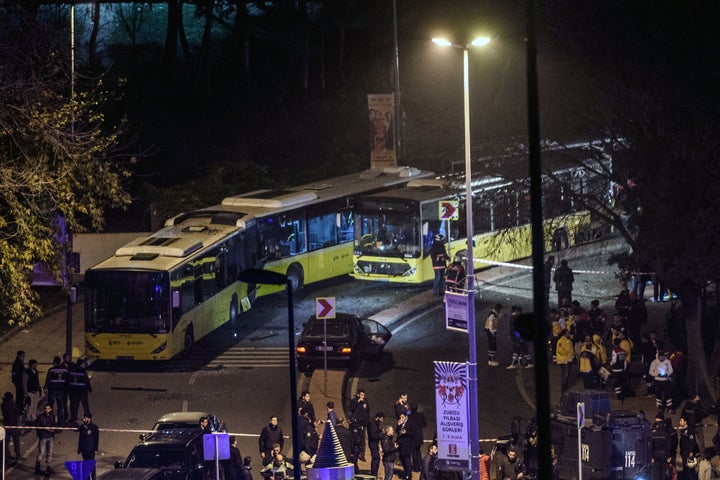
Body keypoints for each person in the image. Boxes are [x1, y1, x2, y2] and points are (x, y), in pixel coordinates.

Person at [45, 356, 69, 424]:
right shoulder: (64, 370)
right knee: (60, 406)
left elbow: (48, 379)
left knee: (50, 405)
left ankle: (49, 419)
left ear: (54, 362)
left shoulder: (51, 370)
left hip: (52, 389)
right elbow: (67, 379)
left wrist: (45, 387)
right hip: (61, 389)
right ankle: (60, 421)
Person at [68, 358, 93, 423]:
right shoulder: (82, 371)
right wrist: (90, 388)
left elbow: (69, 381)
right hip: (82, 391)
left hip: (74, 391)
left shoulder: (72, 371)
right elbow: (86, 381)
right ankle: (87, 417)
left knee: (75, 405)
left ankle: (74, 418)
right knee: (85, 405)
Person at [35, 403, 57, 476]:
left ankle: (48, 467)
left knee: (49, 453)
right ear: (44, 409)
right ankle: (37, 468)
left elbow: (54, 424)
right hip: (43, 437)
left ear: (50, 409)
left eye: (48, 409)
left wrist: (53, 429)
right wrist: (45, 429)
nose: (47, 410)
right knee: (41, 452)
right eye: (46, 409)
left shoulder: (52, 416)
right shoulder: (40, 417)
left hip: (50, 436)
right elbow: (38, 427)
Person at [349, 389, 370, 462]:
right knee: (355, 439)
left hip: (363, 423)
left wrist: (367, 421)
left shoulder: (365, 401)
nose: (363, 397)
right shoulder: (354, 401)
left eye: (363, 395)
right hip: (355, 423)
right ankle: (353, 453)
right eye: (361, 395)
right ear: (358, 395)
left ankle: (362, 455)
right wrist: (357, 402)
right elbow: (351, 409)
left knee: (362, 440)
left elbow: (368, 411)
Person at [2, 391, 23, 464]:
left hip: (6, 425)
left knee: (6, 443)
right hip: (13, 425)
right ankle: (18, 455)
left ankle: (7, 457)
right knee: (16, 441)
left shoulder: (3, 405)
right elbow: (19, 411)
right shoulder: (12, 406)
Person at [77, 413, 100, 480]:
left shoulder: (94, 427)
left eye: (85, 418)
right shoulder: (82, 427)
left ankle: (93, 478)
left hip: (91, 449)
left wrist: (96, 449)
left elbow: (96, 438)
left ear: (89, 419)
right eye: (84, 418)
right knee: (85, 464)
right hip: (84, 449)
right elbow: (80, 438)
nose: (84, 419)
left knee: (91, 464)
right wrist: (79, 449)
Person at [396, 412, 417, 480]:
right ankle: (406, 472)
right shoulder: (400, 423)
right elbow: (397, 431)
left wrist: (406, 433)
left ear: (406, 417)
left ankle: (409, 475)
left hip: (407, 445)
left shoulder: (411, 423)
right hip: (401, 444)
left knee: (407, 460)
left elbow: (414, 433)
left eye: (402, 417)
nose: (401, 418)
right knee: (402, 459)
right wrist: (399, 425)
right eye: (400, 417)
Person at [409, 403, 427, 472]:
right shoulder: (421, 415)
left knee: (413, 453)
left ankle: (416, 467)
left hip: (412, 437)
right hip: (419, 436)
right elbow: (425, 424)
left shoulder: (409, 416)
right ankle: (420, 465)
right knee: (418, 451)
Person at [555, 329, 575, 393]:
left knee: (567, 374)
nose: (569, 334)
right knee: (565, 375)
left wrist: (572, 355)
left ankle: (565, 388)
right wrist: (568, 354)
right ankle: (563, 389)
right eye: (567, 333)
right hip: (564, 360)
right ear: (564, 334)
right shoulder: (561, 341)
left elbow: (571, 349)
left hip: (568, 359)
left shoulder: (569, 341)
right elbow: (560, 350)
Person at [23, 358, 42, 423]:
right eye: (35, 364)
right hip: (30, 391)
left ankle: (33, 417)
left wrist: (39, 389)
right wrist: (25, 391)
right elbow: (24, 382)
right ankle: (28, 418)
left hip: (35, 391)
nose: (36, 366)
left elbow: (37, 381)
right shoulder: (26, 372)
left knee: (35, 405)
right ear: (32, 365)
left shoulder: (36, 372)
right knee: (30, 405)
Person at [367, 411, 385, 477]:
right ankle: (374, 473)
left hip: (374, 443)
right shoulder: (372, 424)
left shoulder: (374, 423)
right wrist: (381, 434)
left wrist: (380, 430)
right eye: (381, 419)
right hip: (373, 443)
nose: (382, 420)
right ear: (378, 417)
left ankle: (374, 473)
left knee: (376, 458)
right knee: (376, 458)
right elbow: (373, 436)